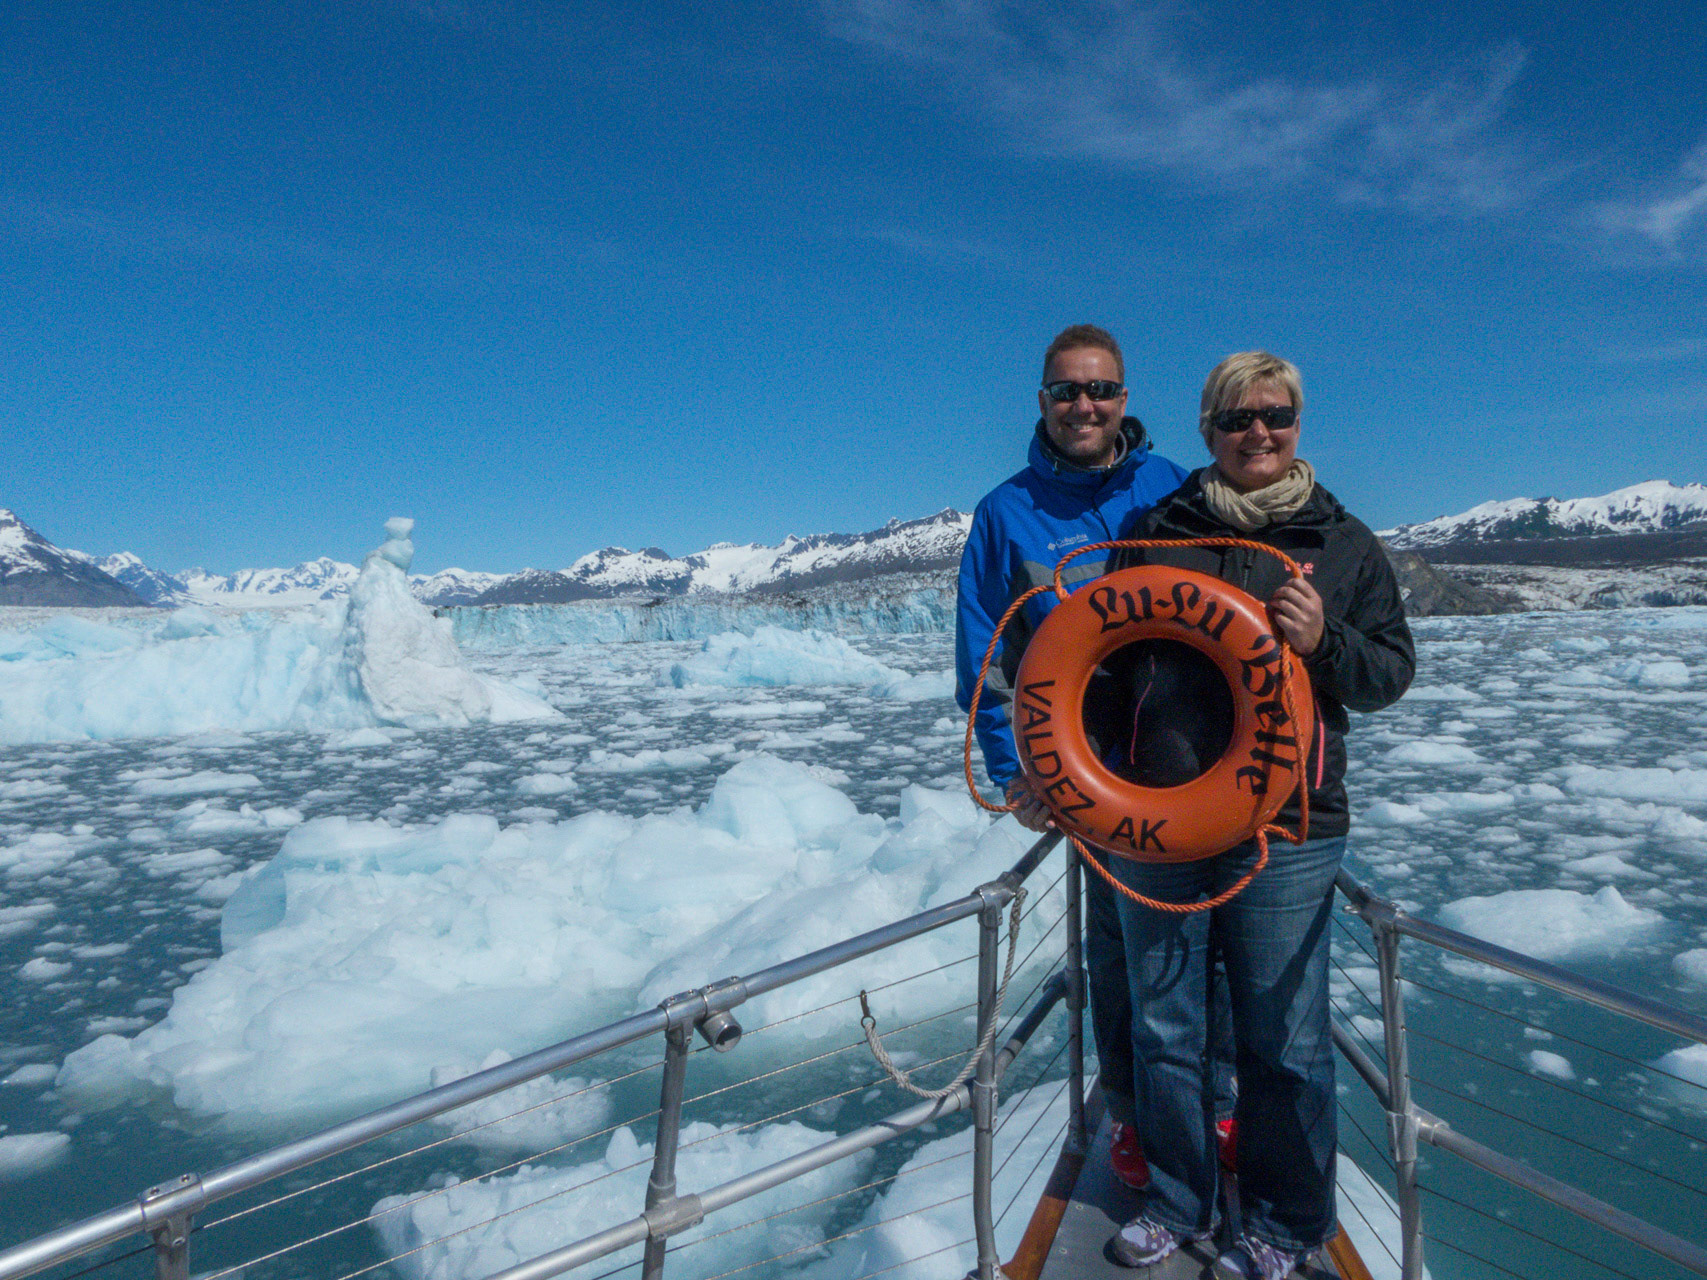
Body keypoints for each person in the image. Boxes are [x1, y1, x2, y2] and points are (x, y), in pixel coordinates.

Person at [1101, 352, 1414, 1279]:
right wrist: (1065, 776)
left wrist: (1326, 642)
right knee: (1164, 1027)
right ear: (1207, 429)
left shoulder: (1344, 541)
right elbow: (1102, 667)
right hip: (1158, 817)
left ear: (1297, 422)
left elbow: (1390, 672)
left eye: (1274, 415)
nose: (1257, 434)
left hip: (1292, 824)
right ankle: (1175, 1202)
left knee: (1283, 1038)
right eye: (1236, 419)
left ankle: (1284, 1224)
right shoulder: (1158, 531)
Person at [955, 323, 1188, 1189]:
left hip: (1191, 754)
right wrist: (1015, 769)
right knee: (1121, 956)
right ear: (1043, 401)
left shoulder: (1172, 487)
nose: (1083, 405)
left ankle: (1225, 1102)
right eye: (1066, 391)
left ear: (1124, 399)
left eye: (1100, 390)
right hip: (1088, 774)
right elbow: (984, 661)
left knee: (1219, 947)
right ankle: (1131, 1115)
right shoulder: (1003, 513)